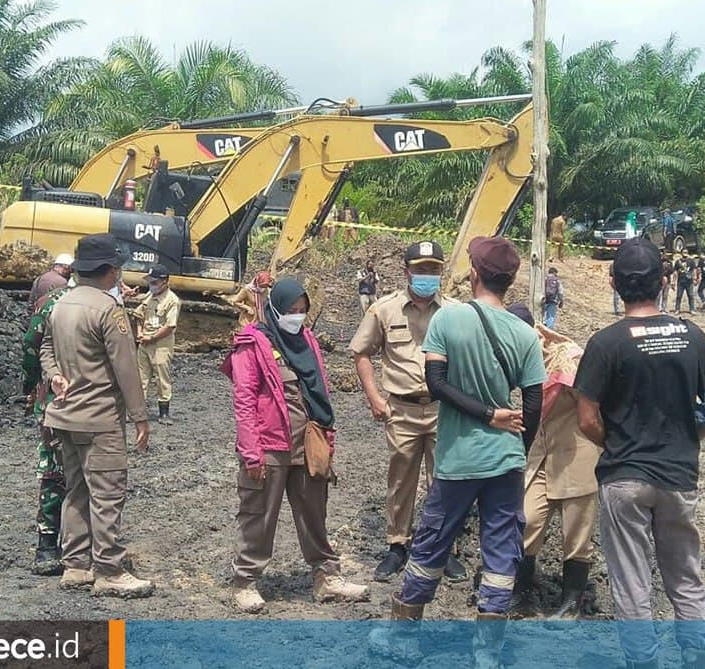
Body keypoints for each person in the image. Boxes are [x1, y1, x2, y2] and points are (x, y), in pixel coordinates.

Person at [369, 236, 546, 668]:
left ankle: (404, 635)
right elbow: (534, 402)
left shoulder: (449, 320)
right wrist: (514, 447)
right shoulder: (526, 333)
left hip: (458, 459)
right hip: (505, 460)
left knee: (432, 542)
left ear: (477, 274)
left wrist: (486, 415)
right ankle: (487, 649)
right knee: (502, 550)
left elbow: (437, 385)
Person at [575, 237, 705, 669]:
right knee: (685, 576)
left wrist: (621, 445)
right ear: (663, 282)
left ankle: (643, 662)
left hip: (625, 478)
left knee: (632, 581)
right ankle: (698, 657)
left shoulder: (605, 343)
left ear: (614, 282)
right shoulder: (692, 335)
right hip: (679, 476)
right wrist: (687, 437)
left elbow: (586, 417)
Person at [223, 278, 369, 613]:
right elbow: (244, 400)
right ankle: (246, 580)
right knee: (259, 514)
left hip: (308, 442)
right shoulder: (252, 343)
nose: (297, 316)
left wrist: (327, 436)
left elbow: (319, 390)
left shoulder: (307, 340)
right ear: (275, 309)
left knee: (314, 513)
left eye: (303, 310)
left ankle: (326, 577)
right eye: (291, 310)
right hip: (270, 444)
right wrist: (251, 451)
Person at [39, 233, 153, 598]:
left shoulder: (60, 304)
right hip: (99, 418)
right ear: (110, 271)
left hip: (64, 416)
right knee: (107, 493)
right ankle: (109, 569)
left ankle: (76, 565)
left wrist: (54, 374)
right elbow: (127, 369)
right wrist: (140, 417)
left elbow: (44, 347)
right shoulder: (108, 310)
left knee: (76, 490)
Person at [349, 241, 466, 583]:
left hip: (444, 408)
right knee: (401, 480)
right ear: (406, 272)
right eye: (420, 269)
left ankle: (444, 548)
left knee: (444, 480)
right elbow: (361, 353)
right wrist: (374, 398)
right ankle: (397, 545)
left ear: (441, 272)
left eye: (432, 270)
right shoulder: (384, 310)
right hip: (401, 409)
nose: (426, 276)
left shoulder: (456, 312)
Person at [509, 316, 601, 621]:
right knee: (527, 519)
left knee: (576, 530)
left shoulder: (567, 358)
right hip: (541, 450)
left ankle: (572, 599)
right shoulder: (519, 355)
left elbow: (595, 406)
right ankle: (521, 591)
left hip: (576, 451)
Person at [22, 283, 74, 575]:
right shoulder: (106, 302)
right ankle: (64, 544)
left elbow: (31, 346)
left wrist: (29, 385)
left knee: (55, 471)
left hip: (55, 400)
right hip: (85, 402)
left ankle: (48, 546)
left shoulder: (50, 303)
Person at [132, 265, 180, 425]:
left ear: (164, 282)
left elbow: (170, 326)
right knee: (141, 378)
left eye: (155, 281)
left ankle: (164, 413)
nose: (151, 284)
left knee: (162, 379)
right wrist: (139, 332)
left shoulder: (172, 301)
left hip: (161, 345)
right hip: (145, 343)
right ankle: (138, 412)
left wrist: (151, 338)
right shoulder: (149, 296)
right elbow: (139, 314)